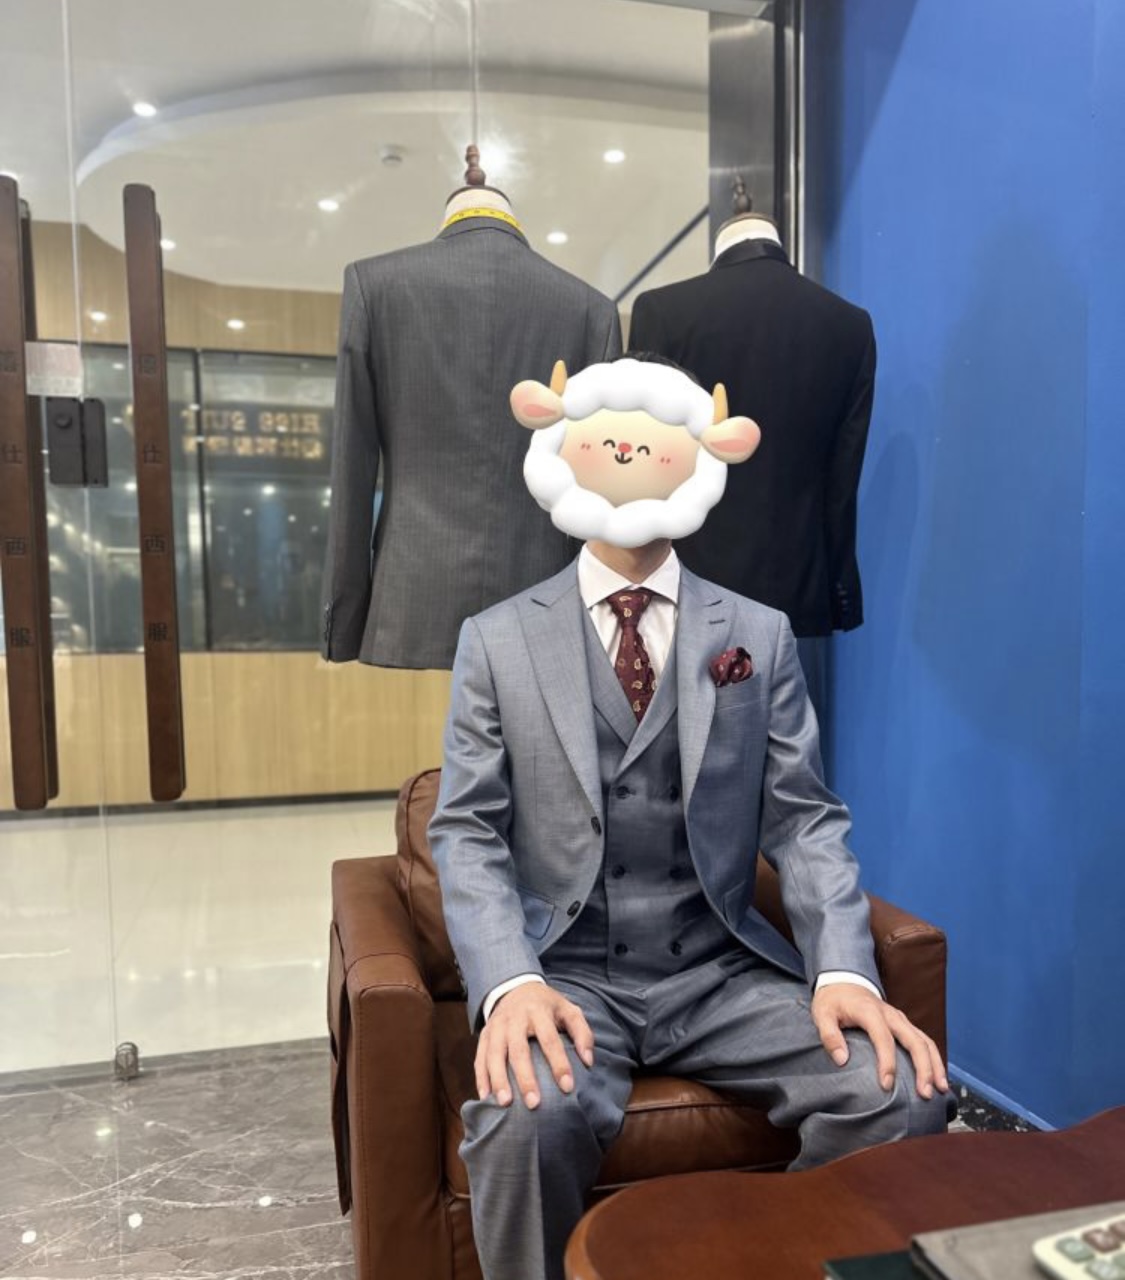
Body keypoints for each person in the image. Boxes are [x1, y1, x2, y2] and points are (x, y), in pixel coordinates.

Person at [428, 355, 953, 1280]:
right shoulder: (497, 639)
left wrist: (843, 970)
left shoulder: (756, 633)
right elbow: (465, 829)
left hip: (718, 972)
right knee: (526, 1116)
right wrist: (509, 983)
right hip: (569, 973)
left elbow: (803, 818)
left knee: (900, 1093)